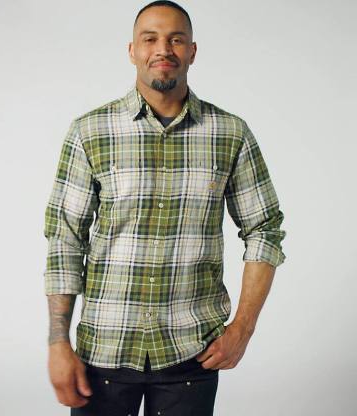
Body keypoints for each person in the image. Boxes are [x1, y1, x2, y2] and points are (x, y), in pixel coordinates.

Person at [43, 1, 287, 415]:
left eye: (176, 39)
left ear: (192, 51)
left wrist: (243, 328)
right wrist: (57, 342)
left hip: (192, 352)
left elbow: (264, 228)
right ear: (132, 50)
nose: (163, 49)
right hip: (104, 350)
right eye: (150, 38)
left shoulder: (231, 133)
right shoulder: (90, 132)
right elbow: (65, 238)